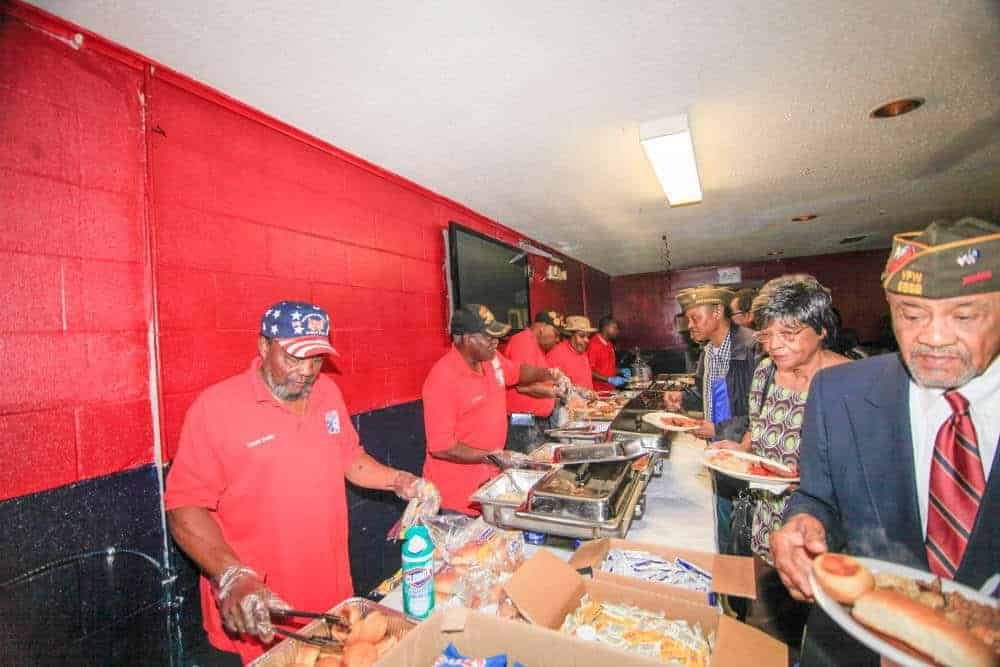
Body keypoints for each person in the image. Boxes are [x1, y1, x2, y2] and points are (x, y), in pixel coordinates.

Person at [771, 217, 1000, 666]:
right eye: (912, 315)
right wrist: (803, 525)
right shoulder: (839, 392)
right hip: (855, 644)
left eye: (965, 315)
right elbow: (818, 496)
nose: (933, 337)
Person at [165, 301, 436, 664]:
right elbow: (184, 506)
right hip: (259, 609)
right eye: (294, 358)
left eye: (316, 360)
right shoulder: (216, 408)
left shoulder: (327, 394)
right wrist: (232, 575)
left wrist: (400, 481)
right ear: (264, 346)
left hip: (330, 594)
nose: (307, 371)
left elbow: (350, 458)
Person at [711, 275, 848, 646]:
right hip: (766, 524)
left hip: (823, 535)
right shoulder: (766, 372)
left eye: (788, 333)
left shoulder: (847, 382)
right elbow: (756, 431)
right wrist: (734, 452)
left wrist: (810, 479)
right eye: (767, 336)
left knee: (826, 636)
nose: (775, 346)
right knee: (765, 633)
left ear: (821, 328)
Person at [422, 304, 562, 514]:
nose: (495, 342)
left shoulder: (491, 360)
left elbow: (518, 372)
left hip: (489, 483)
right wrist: (493, 456)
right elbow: (441, 447)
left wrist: (549, 374)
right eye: (488, 337)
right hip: (457, 497)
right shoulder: (443, 379)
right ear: (467, 338)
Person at [663, 285, 757, 556]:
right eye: (687, 319)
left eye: (695, 318)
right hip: (718, 449)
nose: (689, 326)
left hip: (745, 452)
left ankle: (741, 586)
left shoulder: (751, 347)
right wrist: (682, 398)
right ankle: (729, 576)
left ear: (717, 312)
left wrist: (718, 428)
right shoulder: (708, 352)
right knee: (726, 518)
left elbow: (760, 411)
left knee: (744, 525)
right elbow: (708, 393)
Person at [504, 310, 566, 453]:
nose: (557, 340)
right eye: (556, 334)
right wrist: (555, 393)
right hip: (522, 418)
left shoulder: (535, 345)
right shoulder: (523, 341)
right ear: (543, 327)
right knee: (528, 461)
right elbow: (522, 386)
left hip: (536, 419)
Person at [546, 315, 598, 390]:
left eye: (588, 337)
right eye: (582, 336)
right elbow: (550, 388)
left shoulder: (581, 351)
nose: (587, 340)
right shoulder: (555, 355)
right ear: (570, 335)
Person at [588, 315, 627, 391]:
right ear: (606, 328)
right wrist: (609, 379)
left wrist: (620, 370)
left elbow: (607, 367)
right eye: (615, 328)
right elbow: (589, 372)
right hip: (599, 391)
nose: (617, 331)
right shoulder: (593, 345)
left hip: (610, 390)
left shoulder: (609, 344)